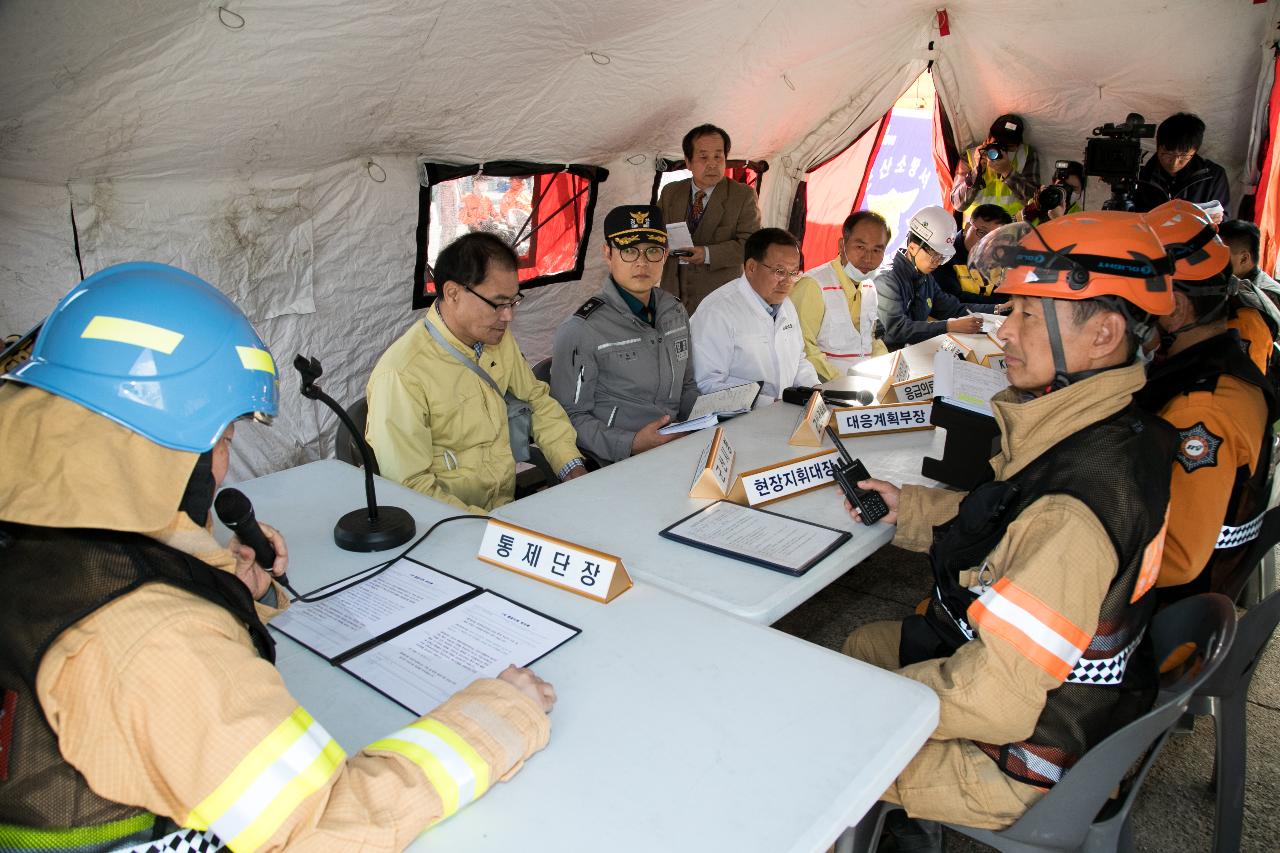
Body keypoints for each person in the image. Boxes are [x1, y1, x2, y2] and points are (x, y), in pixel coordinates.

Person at [0, 262, 556, 851]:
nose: (222, 462)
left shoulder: (38, 538)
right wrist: (497, 717)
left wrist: (222, 585)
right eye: (225, 439)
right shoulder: (156, 636)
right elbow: (318, 827)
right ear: (177, 441)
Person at [842, 212, 1178, 838]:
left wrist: (875, 704)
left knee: (820, 731)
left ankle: (885, 819)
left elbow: (994, 701)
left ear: (1104, 334)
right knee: (862, 647)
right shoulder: (1121, 429)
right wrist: (907, 507)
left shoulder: (1072, 511)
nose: (1006, 331)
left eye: (1028, 314)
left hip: (1027, 757)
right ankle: (902, 829)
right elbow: (1010, 519)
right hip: (1071, 701)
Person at [366, 232, 586, 514]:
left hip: (504, 507)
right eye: (498, 303)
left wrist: (571, 467)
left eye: (513, 301)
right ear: (453, 293)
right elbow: (412, 488)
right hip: (448, 524)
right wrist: (491, 528)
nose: (508, 316)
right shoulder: (402, 374)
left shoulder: (497, 340)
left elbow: (536, 401)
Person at [1137, 201, 1276, 603]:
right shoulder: (1216, 363)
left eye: (1137, 299)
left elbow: (1177, 560)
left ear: (1175, 308)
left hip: (1158, 621)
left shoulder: (1201, 409)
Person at [550, 205, 699, 465]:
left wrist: (707, 417)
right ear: (608, 254)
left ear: (665, 256)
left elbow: (686, 386)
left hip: (676, 448)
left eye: (652, 251)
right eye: (629, 251)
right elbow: (569, 416)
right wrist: (630, 444)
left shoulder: (674, 312)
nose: (642, 263)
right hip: (616, 461)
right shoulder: (582, 330)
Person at [690, 227, 818, 401]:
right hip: (735, 422)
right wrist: (766, 403)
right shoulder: (717, 311)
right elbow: (706, 384)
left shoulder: (786, 305)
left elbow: (798, 360)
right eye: (779, 272)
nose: (787, 282)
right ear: (751, 267)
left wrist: (814, 389)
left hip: (782, 414)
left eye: (794, 273)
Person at [658, 123, 763, 313]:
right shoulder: (670, 192)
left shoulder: (742, 195)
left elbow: (751, 245)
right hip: (672, 294)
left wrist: (706, 254)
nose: (712, 164)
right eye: (703, 157)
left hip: (719, 300)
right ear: (688, 162)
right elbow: (655, 233)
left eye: (718, 156)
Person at [874, 205, 1004, 350]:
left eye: (943, 257)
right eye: (935, 255)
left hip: (913, 352)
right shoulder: (887, 280)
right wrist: (949, 325)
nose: (937, 263)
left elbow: (953, 308)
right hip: (884, 356)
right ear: (912, 248)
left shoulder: (925, 277)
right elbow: (897, 329)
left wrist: (998, 309)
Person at [790, 211, 891, 381]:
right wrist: (842, 383)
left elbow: (870, 340)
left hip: (864, 386)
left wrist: (889, 367)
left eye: (876, 250)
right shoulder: (813, 285)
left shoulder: (869, 287)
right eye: (860, 247)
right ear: (841, 245)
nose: (868, 258)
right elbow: (803, 350)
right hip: (823, 388)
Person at [1135, 112, 1230, 217]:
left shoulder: (1213, 177)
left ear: (1194, 152)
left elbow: (1224, 220)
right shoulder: (1141, 175)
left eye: (1184, 156)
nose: (1174, 162)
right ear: (1158, 147)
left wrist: (1217, 219)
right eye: (1168, 154)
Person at [950, 113, 1040, 222]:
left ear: (1017, 145)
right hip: (977, 231)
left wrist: (1008, 172)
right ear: (988, 139)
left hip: (1014, 229)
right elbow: (957, 204)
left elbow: (1035, 201)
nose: (1002, 149)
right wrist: (976, 172)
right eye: (997, 143)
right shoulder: (970, 157)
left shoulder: (1026, 155)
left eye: (1008, 146)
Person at [932, 203, 1013, 305]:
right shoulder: (943, 254)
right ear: (967, 228)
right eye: (982, 233)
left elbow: (1005, 294)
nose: (986, 243)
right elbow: (952, 300)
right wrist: (1002, 304)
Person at [1219, 218, 1280, 328]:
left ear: (1244, 258)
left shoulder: (1265, 296)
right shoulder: (1236, 283)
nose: (1212, 261)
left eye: (1220, 255)